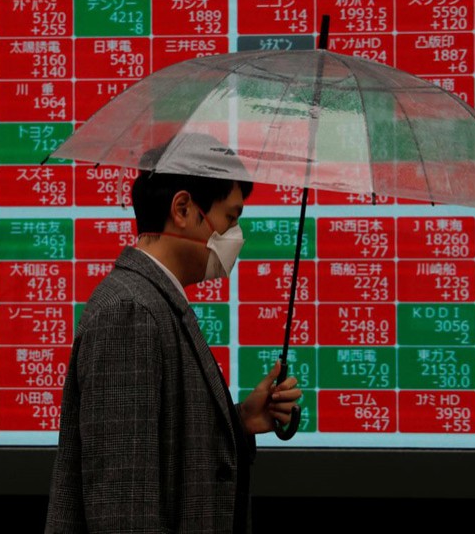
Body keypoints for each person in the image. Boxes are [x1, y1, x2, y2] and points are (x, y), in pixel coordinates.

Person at [44, 140, 302, 533]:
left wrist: (239, 423)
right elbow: (123, 507)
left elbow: (165, 447)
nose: (236, 236)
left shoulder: (153, 299)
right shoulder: (130, 312)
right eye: (230, 219)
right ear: (182, 209)